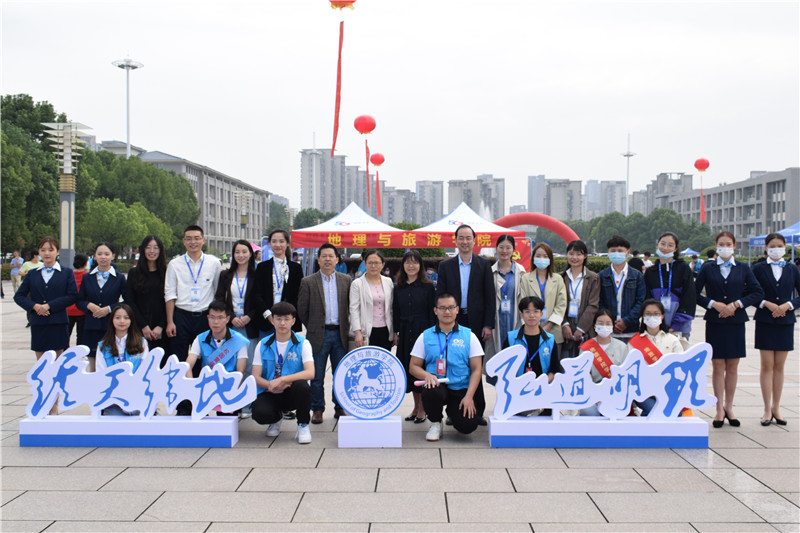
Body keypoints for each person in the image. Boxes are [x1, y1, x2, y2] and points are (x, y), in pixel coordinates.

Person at [696, 231, 764, 428]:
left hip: (736, 321)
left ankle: (729, 407)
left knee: (733, 366)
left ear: (734, 246)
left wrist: (737, 304)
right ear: (716, 245)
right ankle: (718, 408)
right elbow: (695, 292)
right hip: (715, 321)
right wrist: (712, 304)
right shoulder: (708, 268)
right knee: (718, 366)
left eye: (728, 244)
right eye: (721, 244)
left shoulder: (743, 268)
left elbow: (757, 292)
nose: (724, 247)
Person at [436, 224, 494, 424]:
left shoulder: (484, 265)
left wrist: (488, 324)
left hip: (477, 321)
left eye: (468, 238)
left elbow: (489, 297)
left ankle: (478, 410)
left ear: (474, 240)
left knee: (475, 364)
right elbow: (440, 295)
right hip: (453, 320)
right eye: (461, 238)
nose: (465, 241)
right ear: (456, 240)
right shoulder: (446, 266)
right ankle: (454, 412)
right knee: (455, 364)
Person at [14, 237, 77, 415]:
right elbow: (19, 296)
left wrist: (50, 306)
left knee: (57, 367)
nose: (47, 253)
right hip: (39, 324)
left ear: (57, 252)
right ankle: (44, 402)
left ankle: (54, 405)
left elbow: (72, 295)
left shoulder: (66, 273)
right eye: (43, 250)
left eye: (50, 250)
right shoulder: (33, 274)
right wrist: (35, 306)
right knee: (42, 368)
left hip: (58, 323)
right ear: (39, 252)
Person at [410, 292, 484, 441]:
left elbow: (477, 369)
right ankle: (436, 423)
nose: (447, 312)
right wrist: (427, 375)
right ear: (435, 310)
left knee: (467, 426)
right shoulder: (425, 336)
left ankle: (453, 412)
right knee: (430, 392)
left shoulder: (469, 336)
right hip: (436, 385)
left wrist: (469, 396)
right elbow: (413, 366)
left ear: (457, 309)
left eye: (451, 307)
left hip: (460, 387)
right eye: (442, 308)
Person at [164, 225, 223, 416]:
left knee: (202, 361)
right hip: (181, 316)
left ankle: (201, 403)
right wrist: (170, 321)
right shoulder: (175, 264)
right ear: (183, 241)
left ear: (203, 240)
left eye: (197, 238)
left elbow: (217, 292)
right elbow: (169, 294)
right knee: (180, 360)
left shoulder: (213, 263)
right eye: (189, 238)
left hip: (204, 318)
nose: (193, 242)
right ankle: (183, 405)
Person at [297, 243, 351, 424]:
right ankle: (318, 408)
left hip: (340, 334)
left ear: (337, 259)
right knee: (317, 375)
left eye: (331, 256)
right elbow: (302, 309)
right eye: (324, 256)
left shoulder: (346, 280)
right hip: (318, 334)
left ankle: (340, 406)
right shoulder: (308, 282)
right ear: (318, 260)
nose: (327, 259)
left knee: (341, 373)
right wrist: (313, 327)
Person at [752, 233, 799, 426]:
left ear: (785, 247)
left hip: (785, 321)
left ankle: (776, 407)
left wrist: (789, 305)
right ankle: (766, 409)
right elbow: (750, 293)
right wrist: (766, 303)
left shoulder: (792, 268)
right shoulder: (758, 268)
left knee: (779, 366)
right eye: (772, 246)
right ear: (766, 248)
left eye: (780, 246)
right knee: (767, 365)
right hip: (765, 320)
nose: (776, 249)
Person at [251, 302, 315, 444]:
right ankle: (276, 418)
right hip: (269, 391)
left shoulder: (303, 343)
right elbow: (255, 376)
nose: (282, 323)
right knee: (259, 413)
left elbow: (310, 372)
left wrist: (283, 380)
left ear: (293, 321)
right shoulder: (263, 344)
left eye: (286, 319)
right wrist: (270, 384)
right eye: (278, 319)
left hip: (291, 391)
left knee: (303, 387)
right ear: (272, 320)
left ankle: (303, 425)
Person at [393, 250, 436, 424]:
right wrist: (396, 332)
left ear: (420, 266)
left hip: (423, 332)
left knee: (421, 368)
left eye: (415, 262)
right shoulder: (398, 287)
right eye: (408, 262)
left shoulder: (428, 287)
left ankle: (423, 408)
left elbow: (432, 312)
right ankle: (416, 406)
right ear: (403, 265)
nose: (411, 266)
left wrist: (433, 334)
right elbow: (395, 311)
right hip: (405, 333)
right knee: (408, 370)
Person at [185, 300, 248, 416]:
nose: (215, 322)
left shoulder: (238, 340)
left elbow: (241, 371)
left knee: (226, 420)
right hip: (207, 386)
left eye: (220, 318)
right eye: (212, 317)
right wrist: (192, 388)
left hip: (229, 388)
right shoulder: (200, 338)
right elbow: (188, 366)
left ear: (227, 319)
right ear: (207, 318)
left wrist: (231, 395)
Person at [502, 296, 558, 416]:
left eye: (536, 311)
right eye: (527, 312)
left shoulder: (550, 340)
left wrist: (539, 385)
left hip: (543, 389)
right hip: (518, 390)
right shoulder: (511, 338)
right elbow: (505, 370)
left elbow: (554, 370)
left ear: (541, 314)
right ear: (521, 315)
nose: (532, 315)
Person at [627, 299, 684, 416]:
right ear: (642, 317)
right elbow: (631, 371)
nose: (652, 317)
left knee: (675, 412)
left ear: (662, 316)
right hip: (644, 392)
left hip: (669, 390)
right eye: (648, 314)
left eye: (656, 314)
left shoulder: (672, 340)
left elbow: (681, 368)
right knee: (655, 410)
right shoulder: (633, 343)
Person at [215, 240, 260, 389]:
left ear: (250, 254)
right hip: (231, 325)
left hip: (250, 325)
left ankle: (248, 399)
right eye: (237, 252)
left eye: (244, 252)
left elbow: (259, 301)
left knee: (250, 363)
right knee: (230, 362)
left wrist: (249, 316)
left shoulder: (256, 276)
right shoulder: (225, 275)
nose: (241, 255)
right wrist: (232, 317)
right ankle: (230, 396)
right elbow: (220, 299)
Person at [76, 242, 127, 372]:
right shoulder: (87, 277)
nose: (103, 257)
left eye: (106, 254)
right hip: (91, 326)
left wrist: (110, 309)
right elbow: (79, 301)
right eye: (99, 254)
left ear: (112, 256)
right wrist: (88, 305)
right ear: (95, 256)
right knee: (93, 367)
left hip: (112, 326)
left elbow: (127, 301)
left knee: (112, 365)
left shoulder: (119, 278)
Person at [95, 303, 150, 416]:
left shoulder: (141, 342)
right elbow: (101, 374)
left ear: (131, 320)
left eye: (126, 318)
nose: (122, 321)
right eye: (117, 317)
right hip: (112, 399)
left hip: (136, 396)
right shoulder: (103, 346)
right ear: (112, 320)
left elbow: (145, 370)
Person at [643, 232, 696, 339]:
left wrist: (675, 325)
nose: (665, 248)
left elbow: (689, 297)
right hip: (655, 327)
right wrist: (655, 322)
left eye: (670, 245)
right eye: (662, 244)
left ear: (675, 249)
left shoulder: (683, 268)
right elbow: (647, 299)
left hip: (680, 328)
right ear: (658, 245)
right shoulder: (650, 272)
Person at [253, 229, 303, 338]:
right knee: (267, 348)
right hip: (266, 321)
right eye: (274, 241)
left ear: (287, 243)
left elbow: (298, 294)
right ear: (270, 243)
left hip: (288, 321)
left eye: (281, 241)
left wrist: (287, 315)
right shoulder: (262, 267)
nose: (277, 245)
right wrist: (268, 314)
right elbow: (256, 294)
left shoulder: (296, 268)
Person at [578, 309, 630, 416]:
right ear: (594, 326)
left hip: (616, 392)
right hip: (592, 392)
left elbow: (626, 374)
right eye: (600, 323)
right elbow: (584, 375)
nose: (604, 327)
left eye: (608, 324)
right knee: (588, 411)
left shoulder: (622, 347)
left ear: (613, 326)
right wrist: (595, 396)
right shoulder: (586, 348)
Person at [125, 235, 168, 361]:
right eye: (148, 247)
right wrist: (143, 326)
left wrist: (161, 326)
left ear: (160, 250)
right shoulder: (134, 273)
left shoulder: (167, 272)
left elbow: (170, 301)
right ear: (143, 250)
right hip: (139, 327)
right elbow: (130, 301)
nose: (152, 251)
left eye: (156, 248)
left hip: (162, 328)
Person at [487, 235, 526, 370]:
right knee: (497, 356)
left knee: (515, 356)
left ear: (513, 250)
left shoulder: (521, 272)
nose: (504, 251)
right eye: (501, 247)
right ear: (496, 248)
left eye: (508, 247)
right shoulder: (490, 272)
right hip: (496, 320)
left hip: (515, 318)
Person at [597, 236, 646, 342]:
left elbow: (641, 301)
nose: (616, 253)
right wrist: (609, 321)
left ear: (627, 253)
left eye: (620, 251)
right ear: (608, 253)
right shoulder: (601, 276)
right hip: (607, 331)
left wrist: (626, 321)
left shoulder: (637, 276)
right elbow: (599, 301)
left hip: (631, 330)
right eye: (613, 251)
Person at [520, 242, 568, 349]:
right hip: (530, 329)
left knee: (553, 358)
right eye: (538, 256)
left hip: (553, 329)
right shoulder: (526, 279)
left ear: (550, 259)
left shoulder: (558, 279)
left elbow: (561, 304)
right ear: (533, 258)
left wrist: (549, 325)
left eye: (545, 256)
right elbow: (523, 303)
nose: (541, 259)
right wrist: (534, 326)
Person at [560, 240, 600, 358]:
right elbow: (557, 304)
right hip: (565, 328)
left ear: (585, 256)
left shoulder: (593, 278)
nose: (574, 258)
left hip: (585, 328)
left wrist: (581, 328)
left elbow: (593, 305)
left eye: (579, 254)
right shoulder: (560, 277)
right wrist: (564, 324)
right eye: (571, 254)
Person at [349, 250, 394, 350]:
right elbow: (354, 309)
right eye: (370, 263)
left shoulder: (388, 281)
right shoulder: (357, 284)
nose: (373, 266)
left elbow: (391, 307)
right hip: (366, 331)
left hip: (386, 330)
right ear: (365, 264)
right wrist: (357, 332)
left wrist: (394, 332)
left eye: (376, 263)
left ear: (383, 264)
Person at [66, 253, 89, 347]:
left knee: (66, 334)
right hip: (82, 310)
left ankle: (64, 352)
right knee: (81, 335)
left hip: (68, 309)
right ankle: (79, 352)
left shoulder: (68, 275)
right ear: (86, 263)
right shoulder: (87, 276)